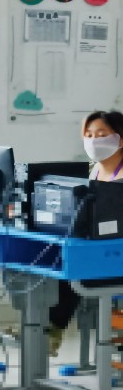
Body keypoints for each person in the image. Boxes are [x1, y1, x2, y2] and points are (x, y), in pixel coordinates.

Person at [47, 110, 123, 357]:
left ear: (120, 138)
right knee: (58, 261)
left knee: (73, 266)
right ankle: (47, 330)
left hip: (116, 254)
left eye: (101, 134)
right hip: (102, 248)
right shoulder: (93, 170)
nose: (93, 140)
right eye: (89, 135)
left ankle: (51, 332)